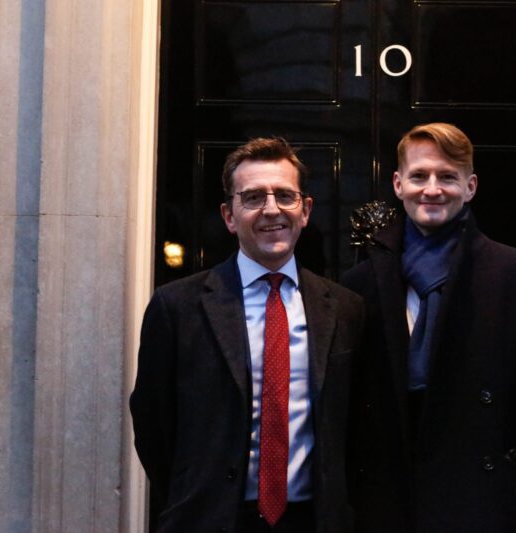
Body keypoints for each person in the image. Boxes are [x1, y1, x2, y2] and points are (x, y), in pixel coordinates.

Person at [342, 123, 516, 533]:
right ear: (398, 184)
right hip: (388, 508)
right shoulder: (360, 284)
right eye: (419, 176)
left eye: (447, 177)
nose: (432, 189)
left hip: (484, 505)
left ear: (470, 187)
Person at [130, 137, 364, 533]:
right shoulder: (177, 307)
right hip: (210, 520)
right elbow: (153, 425)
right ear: (229, 215)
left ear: (305, 210)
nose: (272, 209)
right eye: (253, 197)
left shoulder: (345, 308)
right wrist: (192, 499)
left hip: (313, 521)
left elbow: (358, 429)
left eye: (285, 196)